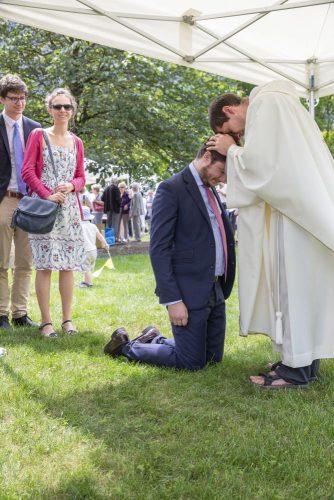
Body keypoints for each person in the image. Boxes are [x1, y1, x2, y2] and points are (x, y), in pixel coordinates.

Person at [207, 79, 334, 388]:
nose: (240, 137)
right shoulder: (280, 103)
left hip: (294, 217)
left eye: (233, 132)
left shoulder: (267, 104)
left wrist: (233, 151)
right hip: (298, 211)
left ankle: (296, 372)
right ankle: (300, 361)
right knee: (303, 291)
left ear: (230, 110)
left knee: (295, 291)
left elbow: (268, 168)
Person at [104, 143, 236, 370]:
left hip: (215, 289)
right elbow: (159, 248)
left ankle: (155, 338)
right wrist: (173, 300)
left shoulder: (211, 187)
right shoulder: (171, 188)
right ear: (206, 157)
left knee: (213, 360)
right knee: (191, 362)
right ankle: (125, 347)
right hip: (188, 291)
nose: (223, 179)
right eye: (222, 171)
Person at [22, 88, 86, 338]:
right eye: (57, 106)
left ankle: (67, 320)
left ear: (72, 111)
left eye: (67, 107)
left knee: (68, 266)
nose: (62, 111)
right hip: (45, 209)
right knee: (45, 266)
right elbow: (27, 171)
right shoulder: (38, 135)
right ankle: (46, 322)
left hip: (69, 211)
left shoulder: (77, 141)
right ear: (49, 109)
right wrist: (47, 194)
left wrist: (72, 186)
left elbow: (81, 176)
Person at [0, 74, 40, 330]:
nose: (19, 103)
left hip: (30, 202)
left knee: (25, 261)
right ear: (2, 99)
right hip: (4, 199)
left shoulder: (34, 129)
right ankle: (1, 313)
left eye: (23, 98)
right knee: (1, 260)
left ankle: (20, 313)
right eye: (14, 98)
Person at [80, 206, 109, 288]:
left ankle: (89, 283)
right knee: (89, 268)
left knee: (85, 268)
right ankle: (84, 281)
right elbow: (99, 236)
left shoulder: (80, 226)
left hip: (85, 250)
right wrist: (105, 244)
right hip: (93, 251)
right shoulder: (93, 226)